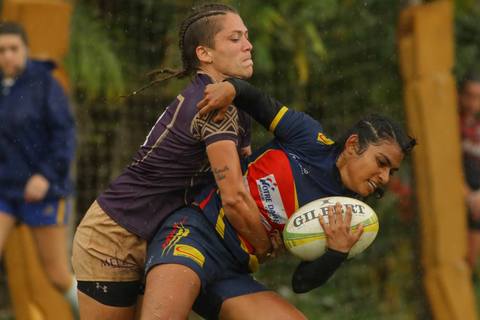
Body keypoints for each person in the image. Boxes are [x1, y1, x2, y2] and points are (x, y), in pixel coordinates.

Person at [143, 79, 417, 319]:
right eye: (381, 163)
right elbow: (258, 101)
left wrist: (337, 251)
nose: (384, 177)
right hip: (195, 234)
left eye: (391, 171)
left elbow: (301, 282)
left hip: (233, 271)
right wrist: (231, 87)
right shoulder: (306, 136)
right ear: (353, 144)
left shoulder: (348, 217)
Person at [72, 4, 275, 320]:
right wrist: (267, 246)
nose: (249, 46)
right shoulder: (214, 106)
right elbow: (234, 197)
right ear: (204, 53)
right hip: (113, 235)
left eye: (247, 37)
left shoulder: (237, 102)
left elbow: (246, 183)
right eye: (235, 39)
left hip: (160, 236)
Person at [0, 22, 78, 315]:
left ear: (25, 50)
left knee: (57, 274)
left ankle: (94, 312)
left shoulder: (45, 83)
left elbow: (65, 136)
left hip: (44, 190)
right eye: (1, 51)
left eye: (12, 49)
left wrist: (45, 175)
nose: (7, 56)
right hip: (6, 190)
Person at [458, 71, 480, 272]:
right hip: (460, 199)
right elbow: (449, 166)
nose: (474, 103)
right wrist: (469, 196)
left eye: (478, 97)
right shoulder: (452, 124)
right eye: (470, 96)